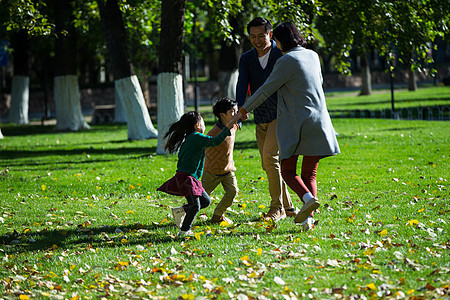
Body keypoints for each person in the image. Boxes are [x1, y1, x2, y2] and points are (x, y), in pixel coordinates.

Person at [230, 22, 340, 231]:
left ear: (277, 39)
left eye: (275, 40)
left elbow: (264, 91)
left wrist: (241, 112)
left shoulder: (285, 59)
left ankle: (304, 200)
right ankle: (308, 220)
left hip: (296, 123)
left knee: (287, 169)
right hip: (320, 121)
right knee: (309, 175)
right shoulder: (313, 55)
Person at [236, 17, 296, 222]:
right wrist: (239, 111)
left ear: (270, 34)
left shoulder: (281, 54)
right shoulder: (246, 59)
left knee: (270, 159)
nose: (257, 40)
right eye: (253, 36)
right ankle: (289, 207)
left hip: (281, 114)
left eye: (261, 35)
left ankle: (276, 207)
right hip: (260, 116)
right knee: (268, 164)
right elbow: (242, 84)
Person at [157, 111, 236, 237]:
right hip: (187, 177)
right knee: (195, 206)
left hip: (190, 177)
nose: (205, 125)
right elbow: (215, 141)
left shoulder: (190, 138)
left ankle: (180, 211)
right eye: (204, 123)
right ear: (198, 125)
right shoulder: (196, 137)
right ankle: (184, 231)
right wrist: (227, 129)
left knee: (205, 201)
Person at [202, 98, 239, 224]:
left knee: (233, 192)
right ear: (223, 115)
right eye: (233, 112)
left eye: (237, 111)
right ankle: (183, 212)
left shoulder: (233, 125)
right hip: (211, 172)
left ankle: (218, 215)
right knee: (200, 199)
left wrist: (242, 117)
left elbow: (238, 122)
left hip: (227, 170)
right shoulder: (213, 133)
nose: (236, 114)